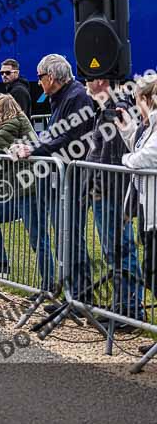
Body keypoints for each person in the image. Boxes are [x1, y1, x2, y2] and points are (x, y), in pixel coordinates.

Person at [10, 54, 94, 306]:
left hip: (73, 179)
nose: (39, 82)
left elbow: (70, 139)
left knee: (71, 238)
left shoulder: (76, 96)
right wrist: (30, 145)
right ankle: (70, 294)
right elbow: (52, 134)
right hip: (60, 179)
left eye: (40, 77)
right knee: (63, 238)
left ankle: (80, 297)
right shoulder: (61, 97)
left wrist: (32, 151)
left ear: (53, 77)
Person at [0, 95, 53, 290]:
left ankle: (49, 283)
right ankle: (1, 263)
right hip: (14, 187)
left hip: (28, 187)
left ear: (0, 111)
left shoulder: (12, 124)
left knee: (37, 236)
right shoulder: (5, 125)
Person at [84, 78, 144, 326]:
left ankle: (130, 309)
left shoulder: (116, 109)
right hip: (106, 191)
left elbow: (115, 156)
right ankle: (123, 305)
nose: (84, 83)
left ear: (101, 81)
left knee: (121, 249)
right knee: (114, 252)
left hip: (112, 192)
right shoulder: (105, 109)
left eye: (88, 78)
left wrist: (100, 187)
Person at [115, 75, 157, 354]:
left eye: (137, 101)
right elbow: (140, 149)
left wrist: (125, 161)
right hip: (148, 208)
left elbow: (145, 158)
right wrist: (129, 131)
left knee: (154, 272)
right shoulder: (150, 125)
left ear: (146, 99)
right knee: (152, 272)